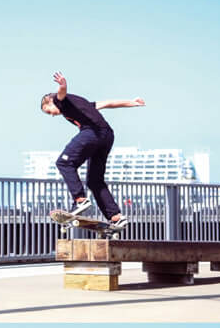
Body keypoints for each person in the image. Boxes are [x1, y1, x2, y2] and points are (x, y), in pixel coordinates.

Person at [40, 72, 145, 231]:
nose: (52, 115)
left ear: (49, 102)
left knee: (64, 162)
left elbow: (60, 94)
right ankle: (115, 217)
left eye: (48, 111)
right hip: (107, 135)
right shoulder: (80, 104)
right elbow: (108, 103)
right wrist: (131, 102)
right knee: (95, 181)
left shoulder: (59, 100)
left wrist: (62, 85)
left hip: (92, 133)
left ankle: (80, 200)